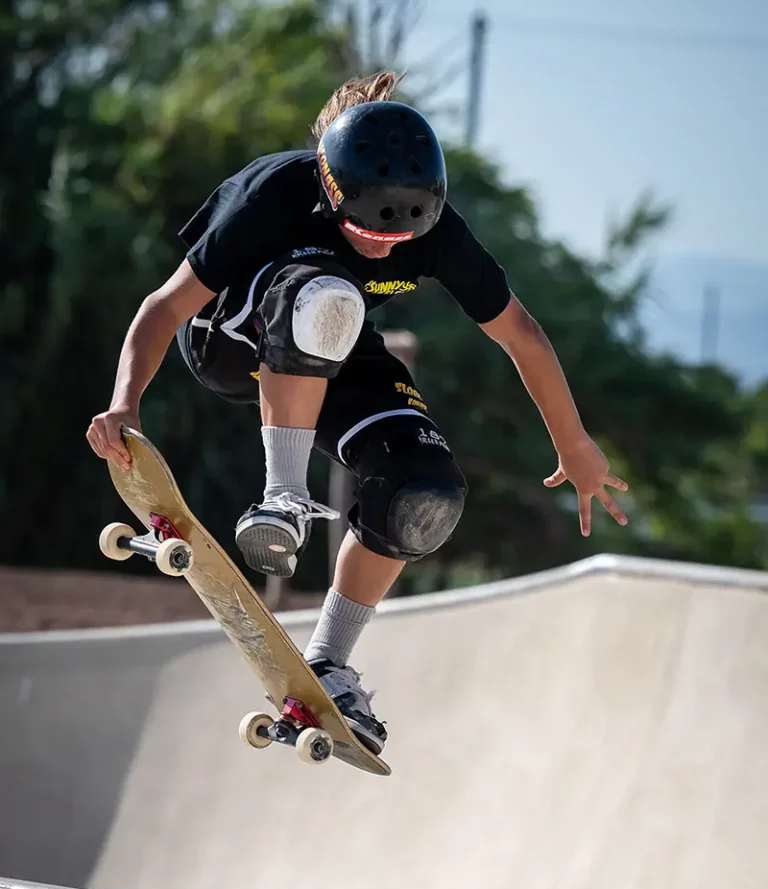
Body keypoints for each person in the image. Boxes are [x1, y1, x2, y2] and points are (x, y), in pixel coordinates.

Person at [87, 70, 628, 756]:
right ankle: (282, 497)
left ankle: (328, 666)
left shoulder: (435, 228)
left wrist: (573, 442)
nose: (381, 245)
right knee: (325, 291)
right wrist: (124, 404)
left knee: (423, 488)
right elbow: (163, 308)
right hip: (231, 339)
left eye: (397, 243)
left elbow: (520, 331)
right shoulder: (273, 193)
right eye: (363, 230)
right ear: (332, 189)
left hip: (333, 347)